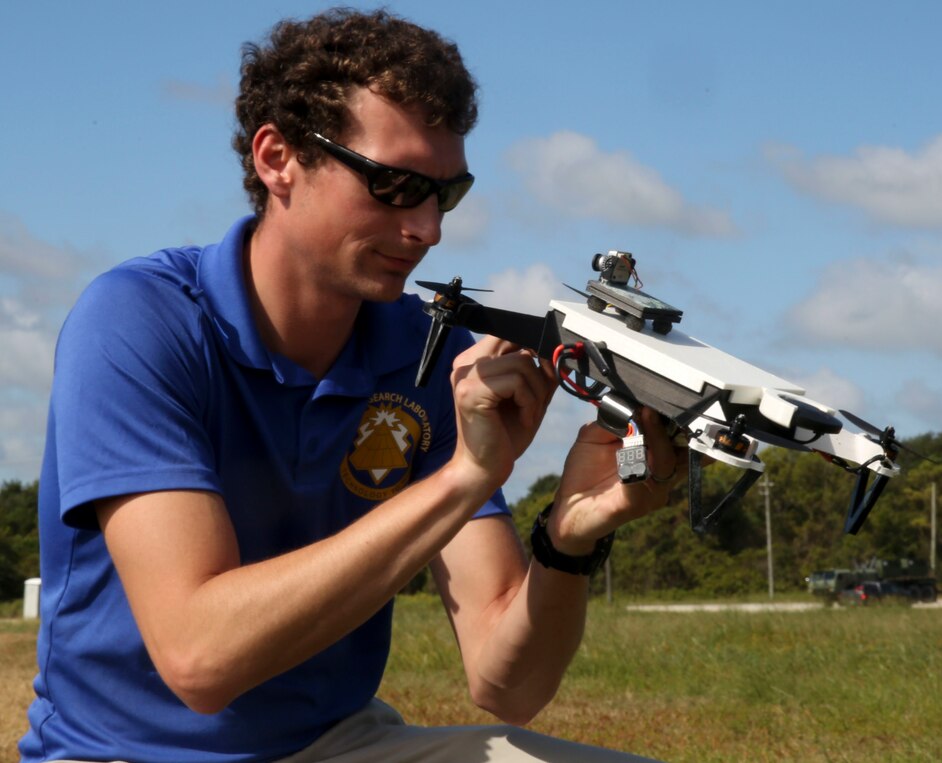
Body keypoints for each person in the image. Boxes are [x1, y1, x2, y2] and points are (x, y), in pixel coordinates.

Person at [20, 9, 682, 763]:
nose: (429, 227)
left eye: (447, 193)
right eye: (395, 184)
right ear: (279, 159)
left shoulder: (424, 351)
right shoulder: (139, 321)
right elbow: (200, 659)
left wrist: (568, 540)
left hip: (335, 744)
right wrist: (465, 479)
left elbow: (510, 685)